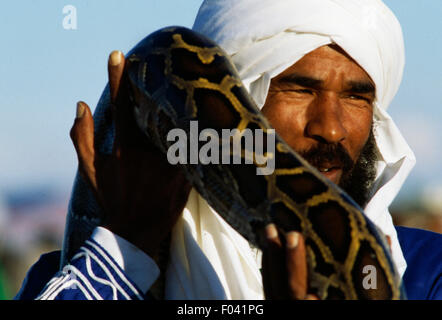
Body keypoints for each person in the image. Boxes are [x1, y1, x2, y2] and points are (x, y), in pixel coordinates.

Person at [15, 0, 442, 300]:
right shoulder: (74, 276)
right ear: (238, 101)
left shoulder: (429, 275)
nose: (330, 128)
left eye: (356, 97)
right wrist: (129, 245)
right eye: (298, 88)